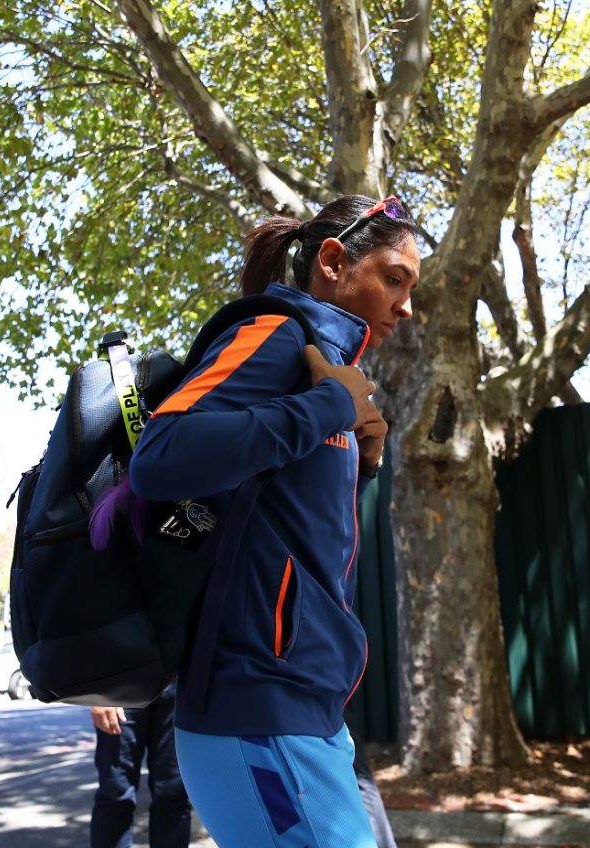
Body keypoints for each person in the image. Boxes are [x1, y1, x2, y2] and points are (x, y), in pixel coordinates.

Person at [129, 194, 419, 848]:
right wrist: (325, 409)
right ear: (334, 260)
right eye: (394, 279)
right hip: (256, 703)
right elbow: (161, 457)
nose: (406, 306)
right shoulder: (273, 336)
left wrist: (363, 463)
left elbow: (296, 534)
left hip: (308, 706)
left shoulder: (329, 369)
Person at [89, 682, 193, 848]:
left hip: (179, 684)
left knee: (173, 793)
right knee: (115, 791)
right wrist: (96, 693)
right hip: (119, 685)